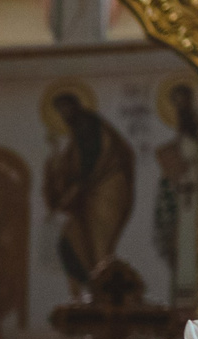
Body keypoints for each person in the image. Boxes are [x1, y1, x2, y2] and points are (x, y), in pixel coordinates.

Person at [44, 88, 137, 298]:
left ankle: (107, 299)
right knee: (70, 243)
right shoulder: (77, 136)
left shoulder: (87, 125)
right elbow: (71, 172)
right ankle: (93, 294)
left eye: (66, 109)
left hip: (106, 193)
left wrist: (73, 191)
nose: (64, 115)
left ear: (75, 106)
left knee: (99, 249)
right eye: (60, 111)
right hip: (88, 196)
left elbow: (89, 166)